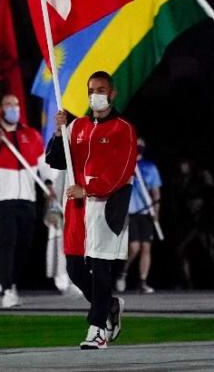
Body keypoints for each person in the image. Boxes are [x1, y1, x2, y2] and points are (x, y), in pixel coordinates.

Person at [46, 71, 137, 350]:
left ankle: (97, 329)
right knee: (74, 270)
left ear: (112, 93)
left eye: (100, 89)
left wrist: (91, 189)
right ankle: (109, 305)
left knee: (101, 270)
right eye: (91, 90)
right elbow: (56, 161)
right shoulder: (78, 126)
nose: (95, 94)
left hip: (106, 207)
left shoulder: (123, 128)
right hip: (77, 208)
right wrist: (59, 132)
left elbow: (123, 170)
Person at [0, 94, 45, 308]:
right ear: (0, 110)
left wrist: (49, 186)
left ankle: (10, 282)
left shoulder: (31, 135)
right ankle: (7, 287)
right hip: (1, 199)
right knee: (8, 241)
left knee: (24, 245)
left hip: (28, 198)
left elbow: (43, 165)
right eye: (8, 105)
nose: (14, 108)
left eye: (16, 104)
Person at [117, 138, 161, 294]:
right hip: (130, 212)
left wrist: (156, 211)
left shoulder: (150, 167)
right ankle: (123, 272)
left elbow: (155, 192)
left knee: (146, 247)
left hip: (146, 211)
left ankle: (143, 281)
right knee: (134, 247)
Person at [174, 160, 214, 289]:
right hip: (187, 220)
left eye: (184, 163)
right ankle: (186, 281)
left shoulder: (200, 177)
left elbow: (210, 195)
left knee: (208, 248)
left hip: (202, 220)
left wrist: (202, 205)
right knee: (182, 250)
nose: (181, 166)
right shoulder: (180, 180)